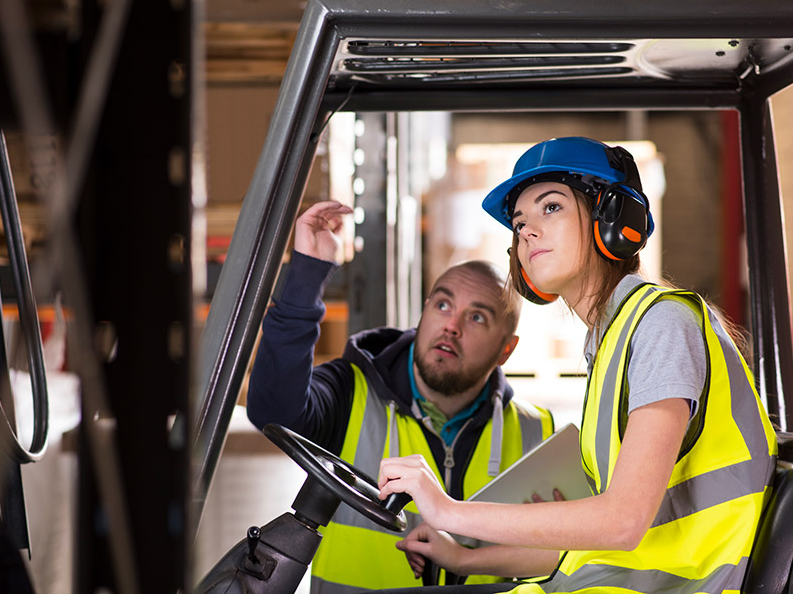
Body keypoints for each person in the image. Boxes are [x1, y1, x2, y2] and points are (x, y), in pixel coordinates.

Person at [378, 137, 778, 594]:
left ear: (614, 219)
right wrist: (466, 556)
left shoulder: (662, 323)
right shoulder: (611, 340)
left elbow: (622, 523)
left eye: (550, 207)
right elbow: (592, 537)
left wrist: (448, 509)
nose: (527, 231)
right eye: (519, 221)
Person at [246, 200, 555, 594]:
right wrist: (308, 273)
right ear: (424, 312)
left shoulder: (536, 433)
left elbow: (562, 565)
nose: (451, 326)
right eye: (442, 305)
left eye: (477, 317)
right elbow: (272, 411)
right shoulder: (349, 392)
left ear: (505, 350)